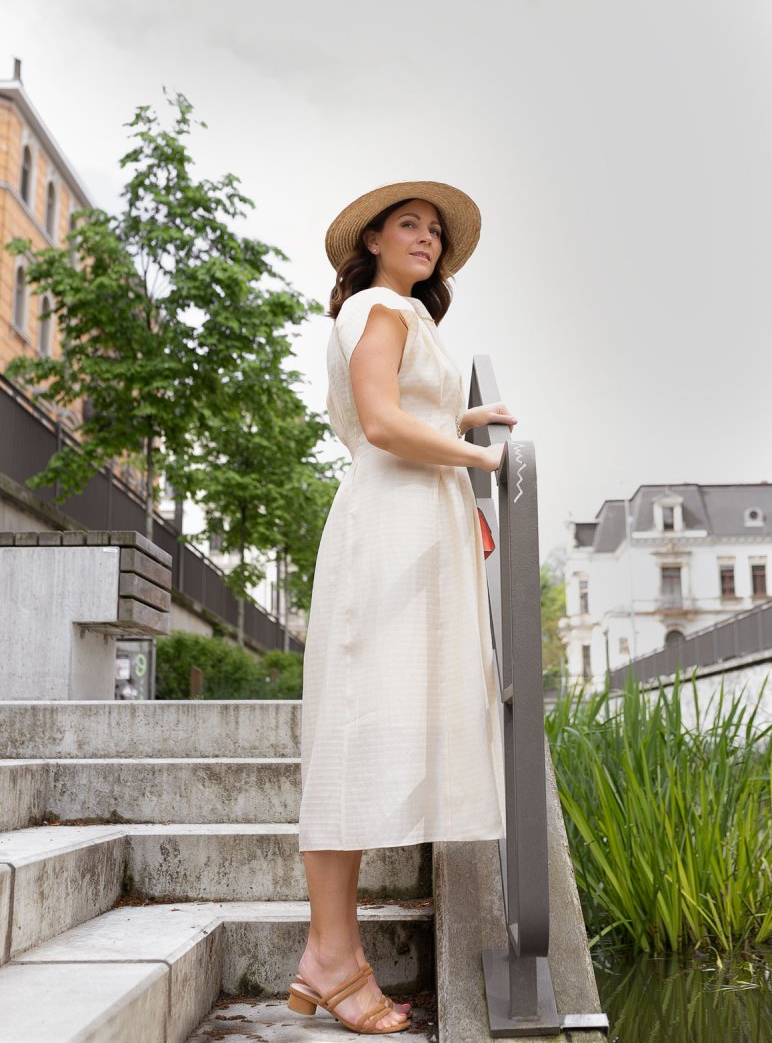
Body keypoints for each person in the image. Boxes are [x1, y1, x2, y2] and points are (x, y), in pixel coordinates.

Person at [287, 181, 517, 1035]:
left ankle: (329, 954)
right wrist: (479, 457)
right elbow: (380, 424)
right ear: (374, 240)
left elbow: (397, 406)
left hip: (417, 525)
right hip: (391, 525)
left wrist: (465, 415)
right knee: (356, 731)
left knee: (372, 728)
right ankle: (331, 955)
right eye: (408, 225)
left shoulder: (404, 318)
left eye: (435, 231)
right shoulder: (380, 306)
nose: (425, 238)